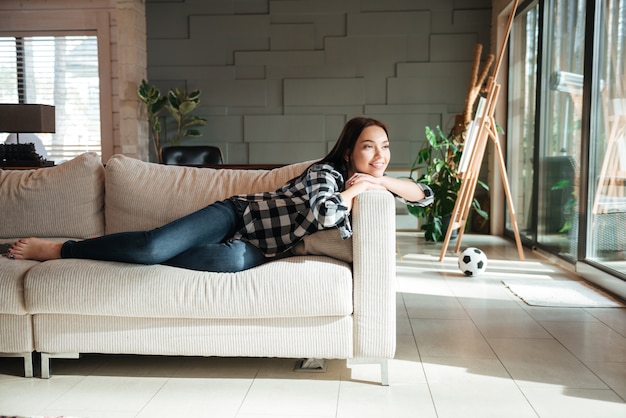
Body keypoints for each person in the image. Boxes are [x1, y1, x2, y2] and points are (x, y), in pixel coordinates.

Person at [7, 117, 433, 272]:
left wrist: (379, 183)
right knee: (154, 245)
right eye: (369, 146)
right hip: (237, 216)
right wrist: (357, 190)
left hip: (259, 249)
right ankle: (63, 249)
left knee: (226, 261)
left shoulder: (368, 185)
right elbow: (325, 214)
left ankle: (131, 255)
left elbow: (424, 194)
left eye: (386, 147)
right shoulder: (324, 173)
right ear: (348, 151)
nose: (380, 155)